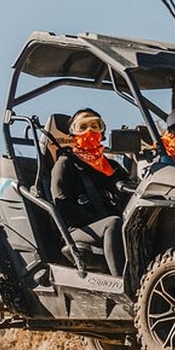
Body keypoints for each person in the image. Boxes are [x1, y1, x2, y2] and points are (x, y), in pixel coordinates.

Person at [51, 108, 130, 276]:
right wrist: (99, 220)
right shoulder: (66, 163)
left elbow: (130, 194)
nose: (90, 132)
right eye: (83, 127)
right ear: (74, 134)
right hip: (81, 230)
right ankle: (124, 286)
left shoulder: (113, 168)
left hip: (117, 223)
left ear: (103, 131)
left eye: (95, 126)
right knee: (114, 224)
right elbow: (62, 205)